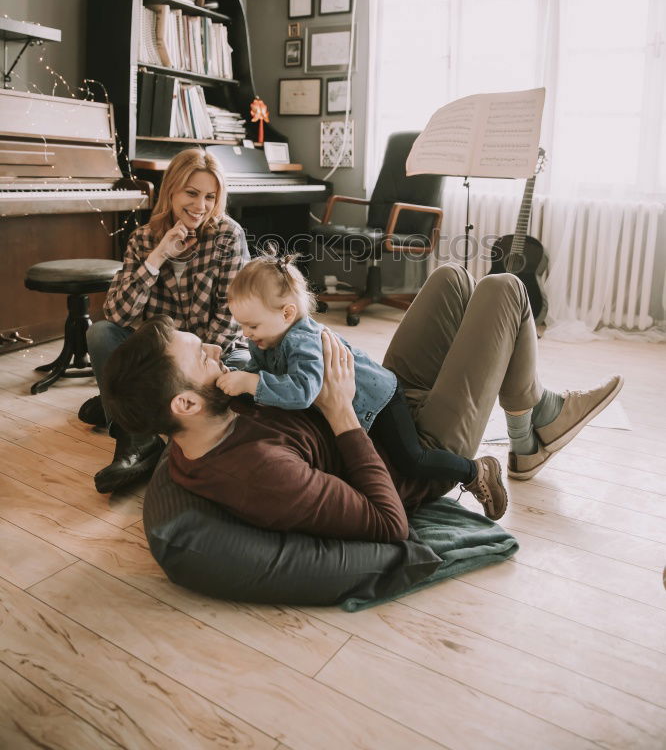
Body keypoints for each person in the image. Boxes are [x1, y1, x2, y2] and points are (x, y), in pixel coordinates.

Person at [101, 264, 623, 541]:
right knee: (506, 288)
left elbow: (270, 361)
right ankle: (533, 420)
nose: (218, 347)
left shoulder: (209, 410)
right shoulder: (256, 471)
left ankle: (534, 419)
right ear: (186, 405)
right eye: (202, 354)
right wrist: (341, 414)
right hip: (412, 450)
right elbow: (388, 523)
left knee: (452, 279)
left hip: (377, 399)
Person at [216, 251, 507, 519]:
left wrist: (250, 382)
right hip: (359, 403)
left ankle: (475, 470)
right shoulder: (264, 338)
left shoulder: (302, 342)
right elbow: (256, 369)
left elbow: (303, 392)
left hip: (381, 400)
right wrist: (235, 376)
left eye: (252, 326)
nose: (246, 333)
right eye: (242, 325)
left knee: (411, 459)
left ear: (287, 314)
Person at [80, 148, 250, 494]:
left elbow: (232, 311)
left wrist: (198, 361)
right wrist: (158, 258)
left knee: (249, 368)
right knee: (100, 335)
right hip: (162, 355)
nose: (199, 206)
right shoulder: (142, 240)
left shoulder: (228, 236)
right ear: (171, 189)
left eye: (209, 197)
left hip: (213, 354)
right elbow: (117, 314)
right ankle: (138, 441)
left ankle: (131, 413)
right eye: (191, 193)